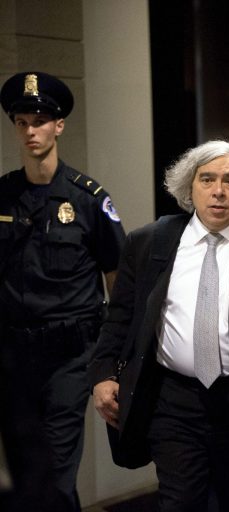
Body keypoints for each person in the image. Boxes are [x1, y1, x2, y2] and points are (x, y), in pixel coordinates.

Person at [88, 140, 229, 511]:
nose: (219, 191)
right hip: (174, 401)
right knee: (180, 503)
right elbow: (121, 316)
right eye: (207, 179)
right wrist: (103, 373)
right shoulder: (149, 241)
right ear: (189, 187)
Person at [0, 71, 126, 511]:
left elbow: (119, 286)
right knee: (26, 480)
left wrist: (111, 363)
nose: (31, 130)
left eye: (40, 120)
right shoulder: (3, 196)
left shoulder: (88, 200)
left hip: (69, 357)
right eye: (22, 122)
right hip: (13, 356)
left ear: (59, 126)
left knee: (55, 475)